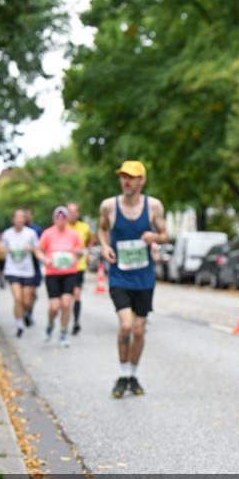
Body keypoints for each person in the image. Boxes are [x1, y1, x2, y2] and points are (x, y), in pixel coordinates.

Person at [97, 160, 167, 398]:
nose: (126, 181)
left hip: (144, 278)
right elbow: (102, 229)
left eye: (131, 177)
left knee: (138, 331)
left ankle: (132, 375)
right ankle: (123, 373)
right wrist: (105, 247)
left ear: (141, 180)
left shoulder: (153, 206)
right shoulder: (109, 206)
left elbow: (165, 235)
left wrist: (155, 236)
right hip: (119, 276)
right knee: (126, 325)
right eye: (123, 176)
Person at [35, 206, 84, 348]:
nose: (60, 220)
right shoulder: (48, 233)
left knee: (66, 303)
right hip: (53, 273)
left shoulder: (73, 234)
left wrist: (78, 252)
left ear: (67, 219)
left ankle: (63, 332)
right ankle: (50, 325)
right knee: (54, 306)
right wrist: (44, 259)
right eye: (58, 217)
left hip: (70, 273)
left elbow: (81, 250)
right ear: (54, 218)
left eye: (63, 217)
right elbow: (38, 250)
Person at [0, 210, 40, 338]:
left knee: (26, 301)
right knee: (17, 298)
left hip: (27, 271)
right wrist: (5, 250)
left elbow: (38, 249)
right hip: (12, 270)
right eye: (16, 217)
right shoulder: (7, 234)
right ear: (13, 219)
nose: (18, 220)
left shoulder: (31, 234)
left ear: (24, 220)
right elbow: (1, 250)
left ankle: (24, 314)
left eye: (21, 217)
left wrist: (31, 249)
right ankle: (19, 325)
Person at [67, 202, 94, 335]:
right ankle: (64, 320)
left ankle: (76, 322)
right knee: (66, 298)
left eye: (74, 212)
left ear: (78, 213)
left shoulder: (84, 227)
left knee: (76, 294)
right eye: (69, 212)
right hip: (64, 268)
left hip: (79, 266)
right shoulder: (62, 227)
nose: (72, 215)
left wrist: (88, 253)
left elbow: (90, 240)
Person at [22, 206, 43, 327]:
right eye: (23, 215)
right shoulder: (18, 230)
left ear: (31, 216)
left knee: (33, 293)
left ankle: (29, 313)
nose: (25, 217)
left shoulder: (37, 230)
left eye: (27, 215)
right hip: (21, 266)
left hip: (34, 265)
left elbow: (42, 246)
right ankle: (25, 313)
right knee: (25, 293)